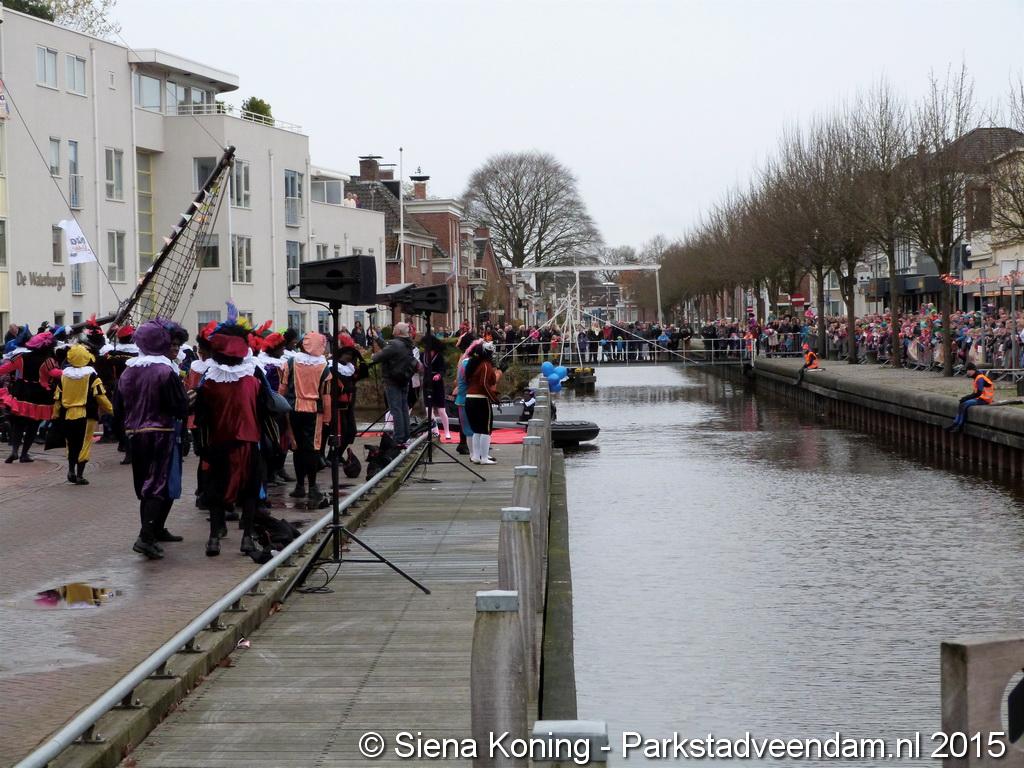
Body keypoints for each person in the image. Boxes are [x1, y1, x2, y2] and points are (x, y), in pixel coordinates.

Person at [115, 320, 190, 560]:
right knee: (157, 485)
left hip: (134, 434)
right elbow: (179, 407)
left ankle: (151, 532)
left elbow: (118, 407)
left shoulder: (128, 371)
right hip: (160, 433)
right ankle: (145, 537)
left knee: (145, 486)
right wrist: (189, 400)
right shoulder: (164, 372)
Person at [194, 317, 266, 556]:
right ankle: (247, 538)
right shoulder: (254, 378)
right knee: (250, 490)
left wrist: (202, 444)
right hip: (248, 442)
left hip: (218, 442)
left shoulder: (209, 381)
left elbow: (201, 417)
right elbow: (266, 408)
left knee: (215, 490)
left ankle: (214, 538)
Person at [51, 344, 113, 484]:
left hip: (68, 414)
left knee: (71, 442)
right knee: (84, 443)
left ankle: (71, 470)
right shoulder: (91, 376)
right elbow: (101, 397)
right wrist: (112, 410)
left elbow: (57, 399)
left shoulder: (64, 376)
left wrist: (55, 414)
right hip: (87, 415)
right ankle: (79, 475)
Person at [282, 331, 330, 506]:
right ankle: (312, 486)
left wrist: (280, 410)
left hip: (293, 408)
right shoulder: (323, 367)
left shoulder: (291, 362)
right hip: (314, 411)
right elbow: (326, 396)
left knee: (297, 447)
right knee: (312, 449)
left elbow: (282, 388)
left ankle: (300, 486)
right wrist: (328, 418)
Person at [1, 330, 59, 463]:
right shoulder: (48, 361)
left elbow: (4, 369)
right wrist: (73, 371)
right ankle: (24, 454)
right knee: (33, 425)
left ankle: (14, 450)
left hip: (22, 391)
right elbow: (55, 373)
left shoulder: (21, 357)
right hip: (39, 394)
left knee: (18, 423)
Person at [371, 321, 417, 447]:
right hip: (404, 379)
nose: (393, 328)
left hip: (392, 381)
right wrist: (377, 338)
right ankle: (406, 436)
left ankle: (398, 438)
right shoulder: (407, 343)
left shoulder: (395, 344)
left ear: (398, 331)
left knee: (396, 409)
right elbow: (389, 349)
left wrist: (373, 356)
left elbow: (378, 357)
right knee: (403, 408)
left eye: (395, 327)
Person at [464, 341, 502, 464]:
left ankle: (476, 456)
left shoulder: (474, 364)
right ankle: (484, 458)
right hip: (480, 400)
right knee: (486, 430)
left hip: (469, 399)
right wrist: (494, 399)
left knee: (477, 430)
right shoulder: (485, 365)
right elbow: (484, 384)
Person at [947, 362, 994, 432]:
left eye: (968, 370)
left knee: (964, 404)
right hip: (980, 398)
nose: (967, 372)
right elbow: (976, 393)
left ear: (972, 370)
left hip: (985, 399)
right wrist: (965, 398)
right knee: (962, 403)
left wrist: (966, 398)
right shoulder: (977, 377)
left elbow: (978, 393)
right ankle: (955, 423)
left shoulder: (980, 378)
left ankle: (960, 425)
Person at [422, 333, 451, 440]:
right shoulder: (423, 355)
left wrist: (439, 375)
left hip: (437, 384)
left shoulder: (439, 356)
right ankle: (436, 431)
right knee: (428, 410)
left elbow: (443, 369)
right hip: (427, 383)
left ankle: (447, 432)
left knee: (441, 410)